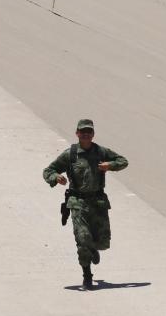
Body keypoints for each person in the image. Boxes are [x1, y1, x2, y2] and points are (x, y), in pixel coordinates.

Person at [43, 119, 128, 289]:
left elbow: (123, 161)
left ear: (93, 134)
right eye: (83, 132)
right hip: (78, 202)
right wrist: (56, 178)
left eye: (89, 132)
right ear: (77, 134)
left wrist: (109, 165)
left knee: (102, 242)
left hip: (98, 202)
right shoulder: (71, 154)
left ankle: (92, 249)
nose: (86, 135)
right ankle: (87, 275)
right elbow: (48, 171)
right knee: (82, 239)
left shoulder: (100, 151)